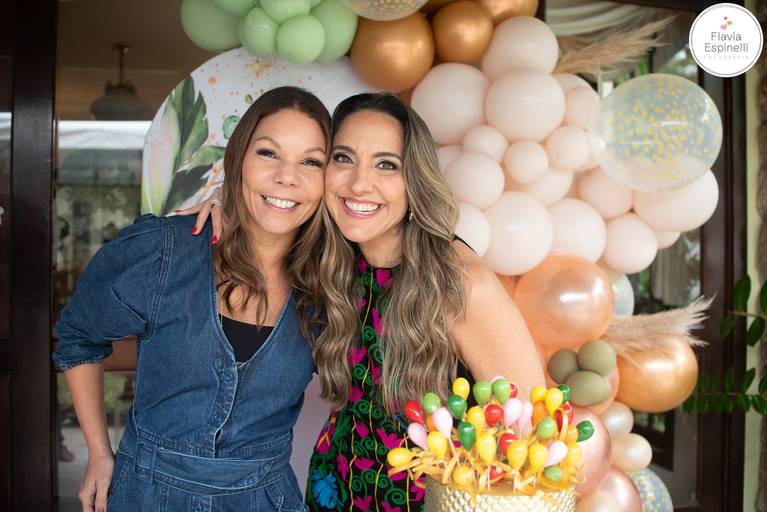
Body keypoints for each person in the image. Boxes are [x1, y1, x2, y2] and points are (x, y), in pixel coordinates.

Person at [194, 92, 545, 511]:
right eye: (343, 158)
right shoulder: (331, 258)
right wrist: (224, 203)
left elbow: (532, 447)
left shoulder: (462, 284)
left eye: (386, 164)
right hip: (332, 493)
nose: (359, 183)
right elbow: (272, 206)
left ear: (414, 179)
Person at [53, 86, 330, 512]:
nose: (286, 177)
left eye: (311, 161)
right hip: (145, 495)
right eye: (268, 153)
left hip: (263, 499)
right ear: (238, 161)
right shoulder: (165, 250)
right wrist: (98, 452)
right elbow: (79, 337)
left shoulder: (332, 284)